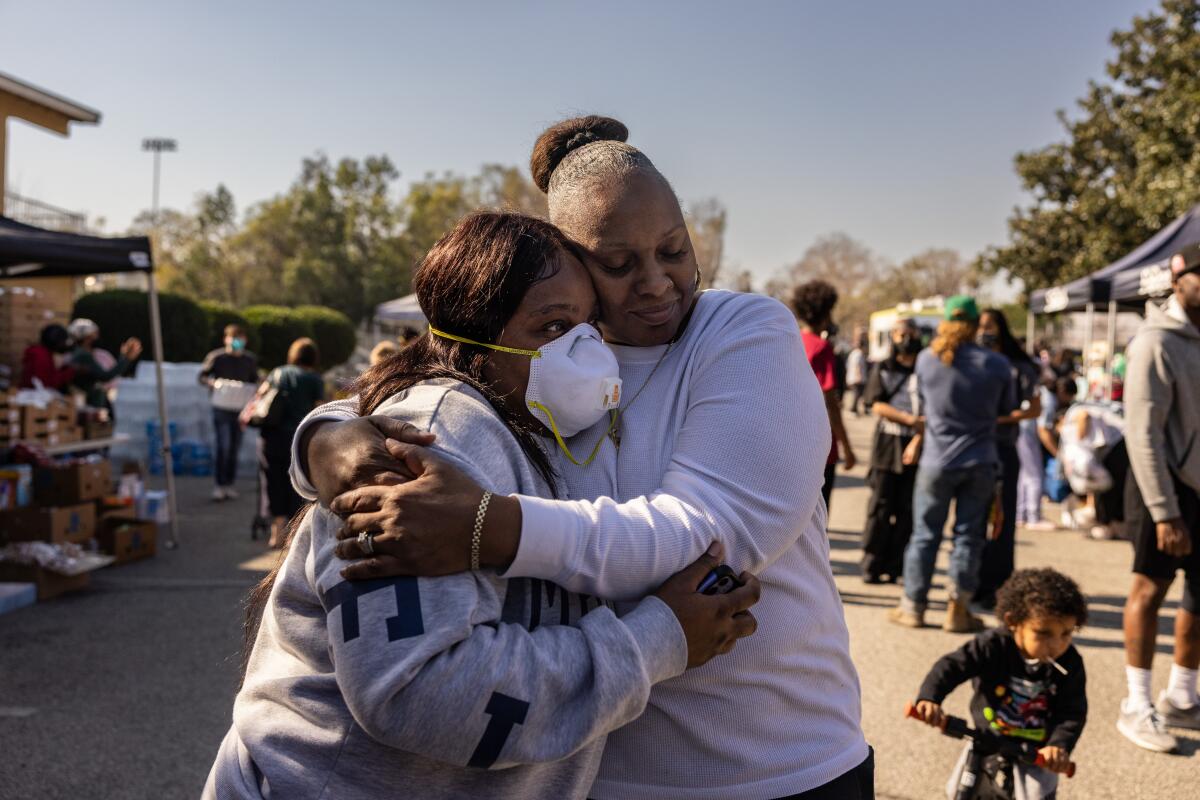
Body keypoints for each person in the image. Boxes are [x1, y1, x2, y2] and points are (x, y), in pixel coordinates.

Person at [293, 116, 872, 798]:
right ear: (568, 261)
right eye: (619, 264)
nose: (657, 283)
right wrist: (327, 437)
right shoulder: (551, 365)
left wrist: (485, 527)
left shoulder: (742, 332)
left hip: (781, 767)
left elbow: (710, 537)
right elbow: (439, 380)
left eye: (675, 250)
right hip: (600, 774)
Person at [204, 211, 760, 799]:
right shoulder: (432, 443)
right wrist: (656, 640)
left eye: (591, 322)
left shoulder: (553, 429)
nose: (586, 349)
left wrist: (321, 431)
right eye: (552, 327)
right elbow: (415, 692)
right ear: (472, 341)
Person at [1117, 242, 1200, 753]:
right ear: (1179, 279)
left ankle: (1183, 692)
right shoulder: (1154, 342)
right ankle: (1136, 703)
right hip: (1163, 490)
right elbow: (1141, 433)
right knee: (1150, 590)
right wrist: (1165, 510)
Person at [890, 296, 1015, 633]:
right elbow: (1006, 410)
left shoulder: (927, 361)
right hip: (980, 460)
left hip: (936, 459)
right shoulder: (997, 365)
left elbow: (923, 410)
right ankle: (957, 610)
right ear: (976, 325)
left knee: (924, 535)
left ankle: (913, 606)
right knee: (969, 537)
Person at [910, 568, 1088, 800]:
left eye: (1066, 633)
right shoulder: (992, 646)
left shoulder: (1070, 663)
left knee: (1036, 795)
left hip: (1037, 751)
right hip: (986, 739)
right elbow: (950, 667)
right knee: (958, 792)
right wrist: (930, 698)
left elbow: (1072, 711)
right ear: (1013, 621)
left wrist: (1059, 746)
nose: (1056, 644)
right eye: (1043, 633)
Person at [974, 308, 1043, 610]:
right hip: (974, 449)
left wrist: (1003, 418)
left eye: (989, 326)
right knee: (974, 520)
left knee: (1002, 520)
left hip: (1003, 448)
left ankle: (1000, 586)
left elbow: (1034, 408)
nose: (983, 331)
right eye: (979, 326)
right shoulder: (972, 360)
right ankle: (972, 584)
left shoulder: (1020, 366)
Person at [859, 319, 921, 584]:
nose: (905, 339)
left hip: (917, 445)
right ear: (893, 337)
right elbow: (876, 404)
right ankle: (872, 564)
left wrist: (919, 434)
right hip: (887, 444)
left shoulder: (926, 367)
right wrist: (909, 420)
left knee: (908, 510)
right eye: (901, 334)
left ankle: (898, 566)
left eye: (910, 334)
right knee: (881, 507)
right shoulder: (883, 367)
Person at [793, 279, 858, 515]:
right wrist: (847, 448)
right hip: (819, 446)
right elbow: (830, 403)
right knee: (818, 516)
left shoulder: (791, 339)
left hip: (791, 441)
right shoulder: (821, 348)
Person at [255, 338, 325, 548]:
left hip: (271, 436)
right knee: (297, 482)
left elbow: (260, 395)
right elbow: (321, 409)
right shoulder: (314, 379)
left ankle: (276, 531)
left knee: (272, 480)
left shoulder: (277, 372)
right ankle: (293, 534)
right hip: (299, 439)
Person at [200, 325, 260, 502]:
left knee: (234, 447)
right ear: (226, 339)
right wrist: (213, 383)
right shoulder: (217, 357)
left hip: (240, 409)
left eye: (240, 338)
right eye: (234, 338)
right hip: (221, 407)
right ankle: (219, 484)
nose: (237, 342)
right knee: (223, 445)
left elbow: (255, 381)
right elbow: (202, 377)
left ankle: (229, 484)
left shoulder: (249, 360)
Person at [67, 318, 141, 412]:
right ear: (87, 338)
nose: (96, 338)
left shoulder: (77, 353)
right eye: (93, 335)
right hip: (90, 403)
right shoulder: (83, 355)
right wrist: (126, 359)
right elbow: (105, 376)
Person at [19, 323, 75, 392]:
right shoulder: (40, 355)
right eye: (62, 342)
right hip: (33, 395)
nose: (63, 345)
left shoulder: (42, 352)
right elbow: (46, 382)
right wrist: (70, 372)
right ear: (55, 341)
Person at [845, 334, 867, 417]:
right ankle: (853, 409)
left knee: (856, 394)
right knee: (857, 394)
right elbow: (857, 365)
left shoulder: (853, 353)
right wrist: (859, 376)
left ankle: (855, 409)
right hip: (857, 378)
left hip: (852, 377)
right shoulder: (859, 354)